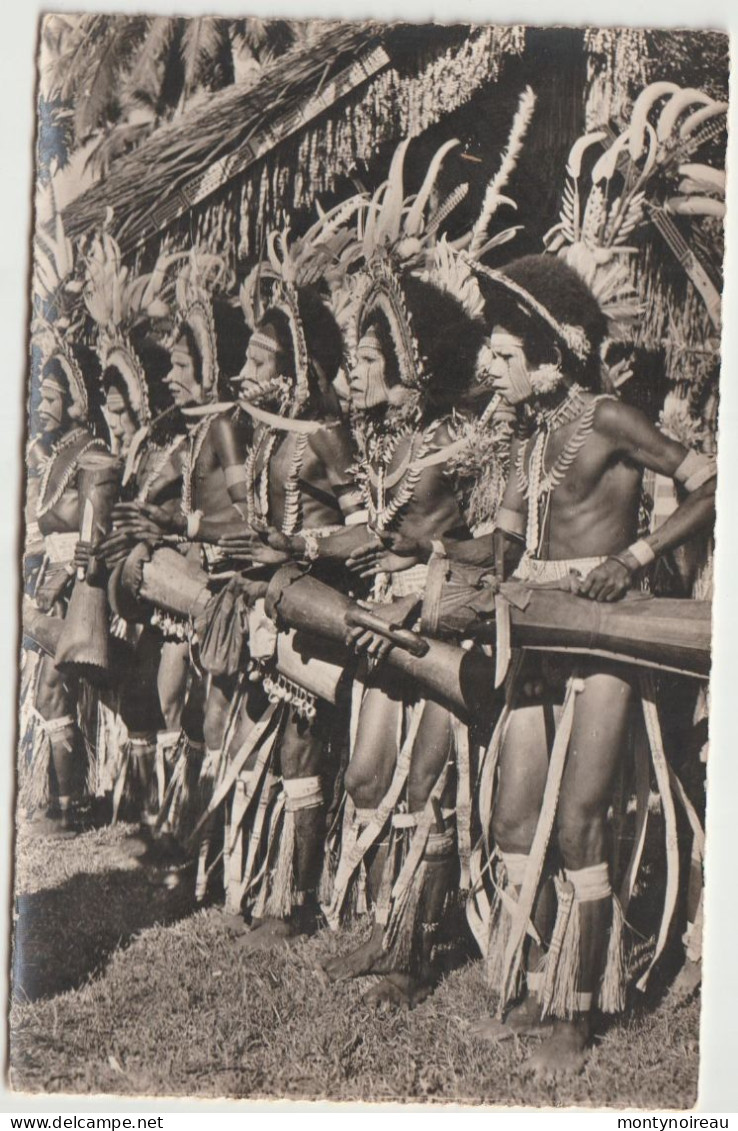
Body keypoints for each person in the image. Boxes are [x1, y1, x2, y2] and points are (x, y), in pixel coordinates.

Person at [442, 254, 716, 1075]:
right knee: (517, 819)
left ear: (550, 358)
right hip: (535, 628)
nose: (488, 368)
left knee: (579, 823)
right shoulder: (532, 440)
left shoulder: (610, 419)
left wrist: (636, 556)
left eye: (501, 356)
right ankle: (534, 983)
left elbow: (711, 482)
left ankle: (579, 1007)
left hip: (606, 636)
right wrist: (432, 554)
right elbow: (511, 540)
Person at [22, 343, 107, 834]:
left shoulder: (94, 455)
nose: (42, 406)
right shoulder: (56, 456)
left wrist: (70, 575)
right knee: (46, 694)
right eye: (41, 397)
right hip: (51, 588)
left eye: (53, 398)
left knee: (53, 690)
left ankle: (70, 808)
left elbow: (97, 533)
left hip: (81, 591)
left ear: (78, 400)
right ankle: (64, 803)